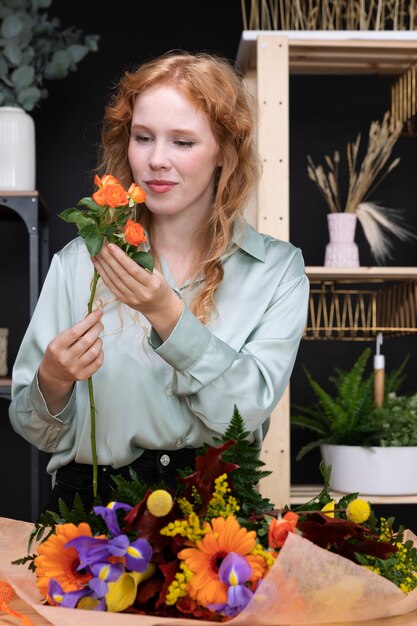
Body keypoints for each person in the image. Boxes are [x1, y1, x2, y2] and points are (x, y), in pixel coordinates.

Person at [9, 51, 309, 513]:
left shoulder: (277, 270)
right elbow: (34, 428)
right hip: (92, 509)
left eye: (183, 142)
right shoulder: (80, 262)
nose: (156, 160)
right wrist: (53, 377)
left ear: (225, 153)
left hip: (216, 512)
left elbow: (244, 413)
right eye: (143, 137)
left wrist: (166, 315)